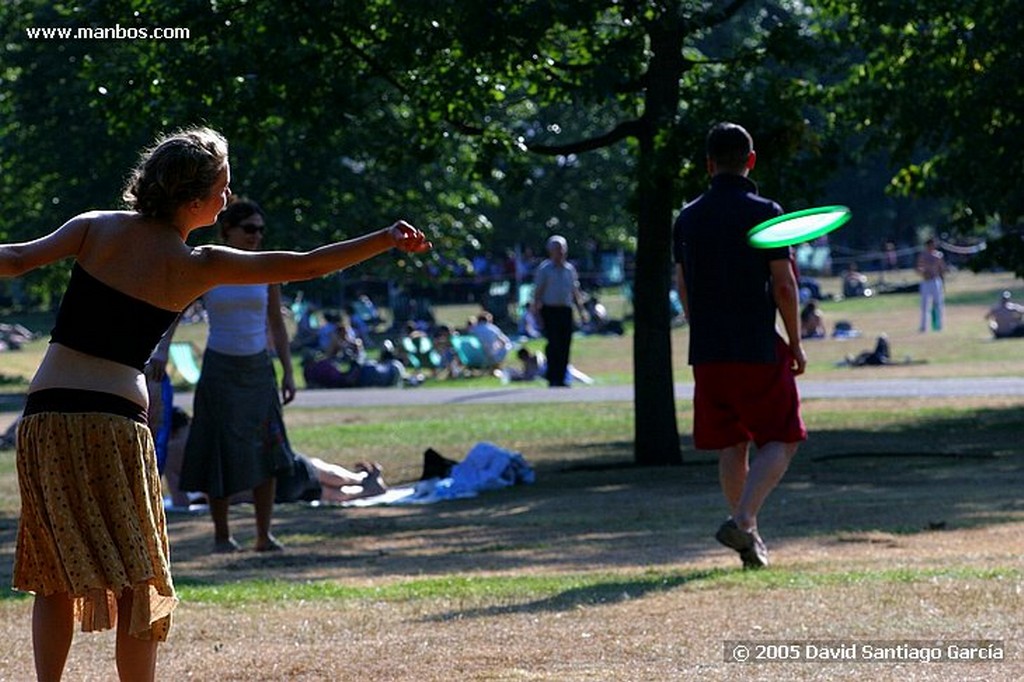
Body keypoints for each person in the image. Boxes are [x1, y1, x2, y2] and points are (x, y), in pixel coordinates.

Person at [0, 125, 428, 681]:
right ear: (193, 196)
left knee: (56, 569)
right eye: (223, 187)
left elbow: (11, 260)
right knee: (140, 576)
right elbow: (306, 264)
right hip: (110, 425)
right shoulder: (201, 265)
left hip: (46, 417)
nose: (228, 199)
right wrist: (386, 238)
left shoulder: (96, 226)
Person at [673, 122, 807, 570]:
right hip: (755, 344)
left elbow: (683, 285)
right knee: (783, 436)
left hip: (708, 350)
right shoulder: (766, 211)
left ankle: (749, 541)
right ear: (750, 160)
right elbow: (784, 284)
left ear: (708, 165)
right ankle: (744, 518)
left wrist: (701, 328)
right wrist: (795, 342)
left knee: (732, 444)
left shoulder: (686, 217)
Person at [174, 198, 301, 554]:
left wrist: (288, 372)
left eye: (260, 230)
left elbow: (276, 323)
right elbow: (175, 309)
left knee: (268, 451)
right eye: (249, 229)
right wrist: (159, 351)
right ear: (227, 230)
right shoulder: (209, 265)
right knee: (219, 448)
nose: (256, 236)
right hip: (219, 368)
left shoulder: (267, 268)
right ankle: (221, 535)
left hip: (259, 369)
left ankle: (264, 535)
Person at [531, 235, 587, 387]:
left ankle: (562, 377)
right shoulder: (545, 269)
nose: (560, 252)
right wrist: (536, 314)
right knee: (554, 344)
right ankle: (552, 376)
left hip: (565, 310)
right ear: (550, 251)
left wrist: (582, 311)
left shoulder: (569, 269)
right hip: (550, 310)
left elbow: (575, 292)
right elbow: (538, 293)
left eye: (561, 249)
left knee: (565, 344)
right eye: (556, 249)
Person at [916, 237, 947, 332]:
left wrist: (943, 282)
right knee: (925, 305)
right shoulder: (923, 256)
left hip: (935, 281)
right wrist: (923, 272)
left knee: (938, 303)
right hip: (926, 281)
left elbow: (942, 269)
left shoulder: (938, 256)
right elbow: (918, 268)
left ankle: (939, 325)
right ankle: (924, 326)